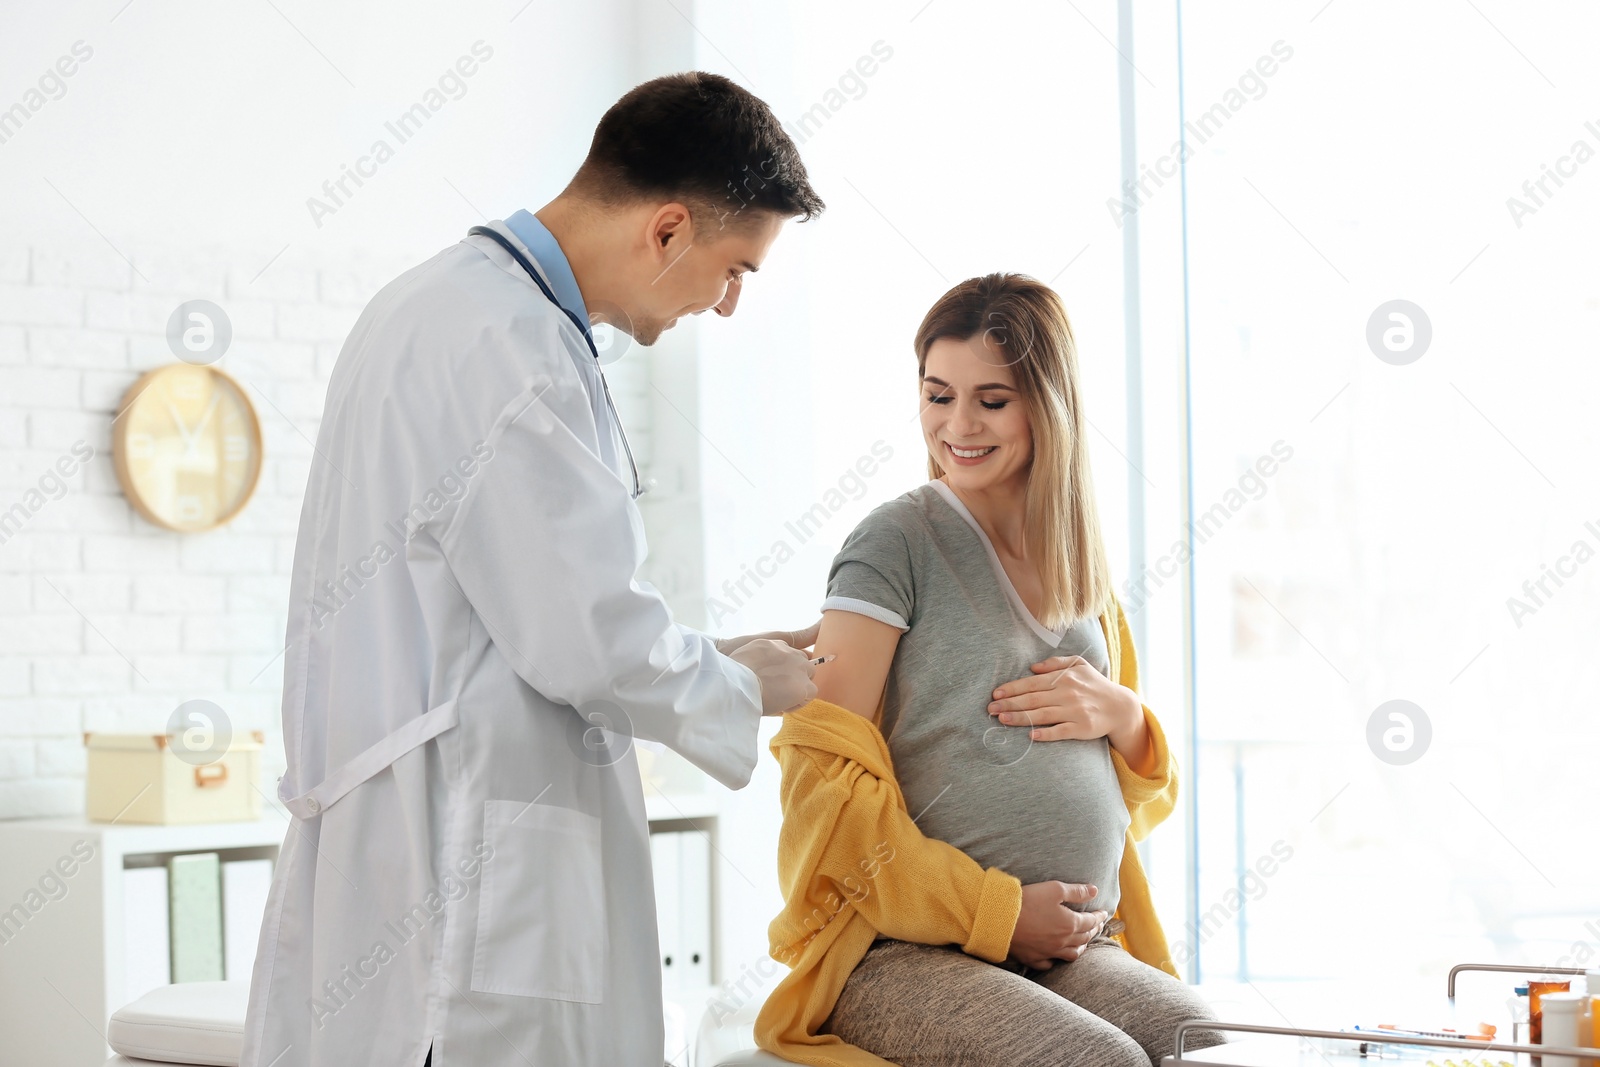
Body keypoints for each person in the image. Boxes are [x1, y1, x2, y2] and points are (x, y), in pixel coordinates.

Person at [240, 72, 826, 1067]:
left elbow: (502, 611)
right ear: (669, 229)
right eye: (736, 269)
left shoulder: (441, 305)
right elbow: (586, 637)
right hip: (460, 862)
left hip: (416, 833)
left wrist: (716, 652)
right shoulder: (513, 344)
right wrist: (747, 682)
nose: (725, 306)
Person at [755, 274, 1226, 1066]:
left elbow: (1138, 794)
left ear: (1049, 404)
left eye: (991, 400)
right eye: (938, 395)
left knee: (1208, 1045)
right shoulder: (894, 543)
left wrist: (1127, 717)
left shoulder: (1083, 570)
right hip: (901, 952)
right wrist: (997, 913)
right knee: (1096, 1062)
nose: (958, 425)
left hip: (1077, 947)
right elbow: (822, 795)